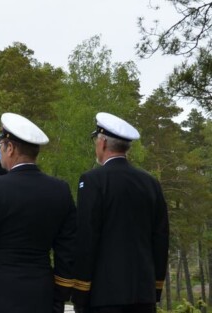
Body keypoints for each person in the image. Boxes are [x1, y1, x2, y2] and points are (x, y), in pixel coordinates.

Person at [0, 112, 76, 313]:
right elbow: (68, 249)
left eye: (1, 145)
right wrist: (60, 295)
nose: (0, 150)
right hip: (42, 294)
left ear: (10, 148)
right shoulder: (60, 190)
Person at [72, 112, 169, 313]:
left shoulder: (93, 180)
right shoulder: (150, 183)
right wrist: (155, 287)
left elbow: (87, 237)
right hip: (144, 294)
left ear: (103, 143)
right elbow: (160, 238)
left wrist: (80, 291)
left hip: (104, 295)